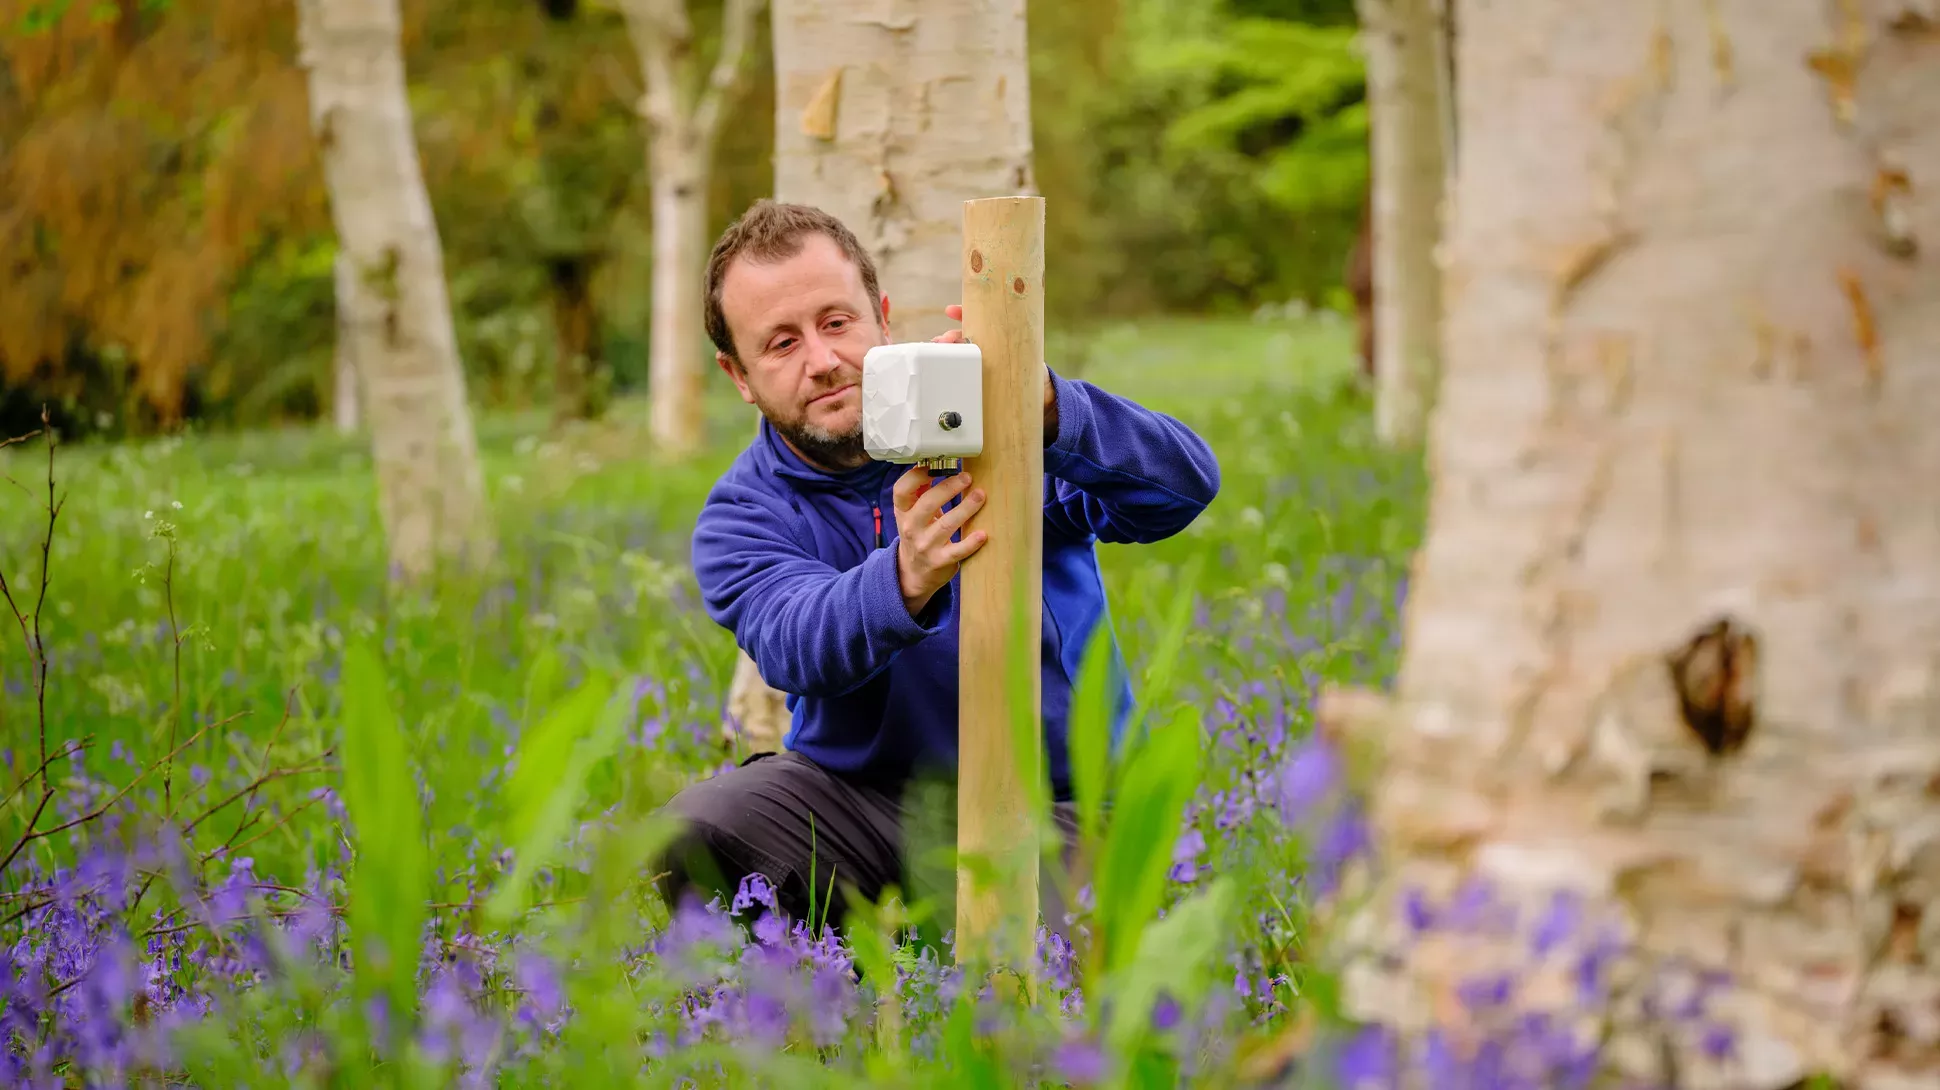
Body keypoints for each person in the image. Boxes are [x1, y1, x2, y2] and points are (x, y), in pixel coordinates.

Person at [655, 199, 1221, 942]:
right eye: (781, 343)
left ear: (882, 316)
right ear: (739, 375)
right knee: (696, 830)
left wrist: (1044, 408)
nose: (822, 361)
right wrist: (904, 578)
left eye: (836, 322)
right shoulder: (742, 515)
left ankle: (925, 965)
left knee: (1024, 967)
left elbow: (1182, 489)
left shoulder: (990, 416)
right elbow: (796, 643)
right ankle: (818, 1004)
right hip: (866, 806)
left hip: (1062, 804)